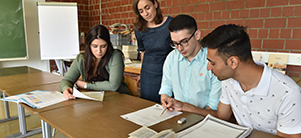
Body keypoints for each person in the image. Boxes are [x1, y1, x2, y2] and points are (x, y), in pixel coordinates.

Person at [166, 24, 301, 137]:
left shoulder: (288, 94)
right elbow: (221, 117)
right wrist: (184, 106)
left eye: (212, 63)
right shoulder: (229, 80)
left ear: (232, 62)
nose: (208, 67)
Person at [159, 14, 222, 112]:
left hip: (204, 119)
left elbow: (214, 108)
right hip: (177, 116)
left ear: (197, 35)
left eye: (184, 41)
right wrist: (166, 102)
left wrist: (185, 108)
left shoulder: (212, 60)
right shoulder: (172, 58)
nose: (179, 48)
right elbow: (165, 90)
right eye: (175, 43)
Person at [60, 25, 130, 99]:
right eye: (95, 46)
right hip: (93, 101)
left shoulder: (115, 55)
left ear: (108, 45)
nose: (99, 51)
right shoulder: (81, 59)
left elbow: (113, 86)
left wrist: (86, 85)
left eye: (103, 46)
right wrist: (66, 88)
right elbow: (66, 80)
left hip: (117, 100)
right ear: (89, 45)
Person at [133, 0, 173, 103]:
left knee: (167, 107)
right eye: (141, 11)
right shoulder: (139, 29)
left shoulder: (170, 24)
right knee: (148, 107)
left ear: (155, 4)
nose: (145, 14)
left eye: (147, 8)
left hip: (167, 74)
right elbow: (143, 52)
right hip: (148, 75)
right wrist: (142, 73)